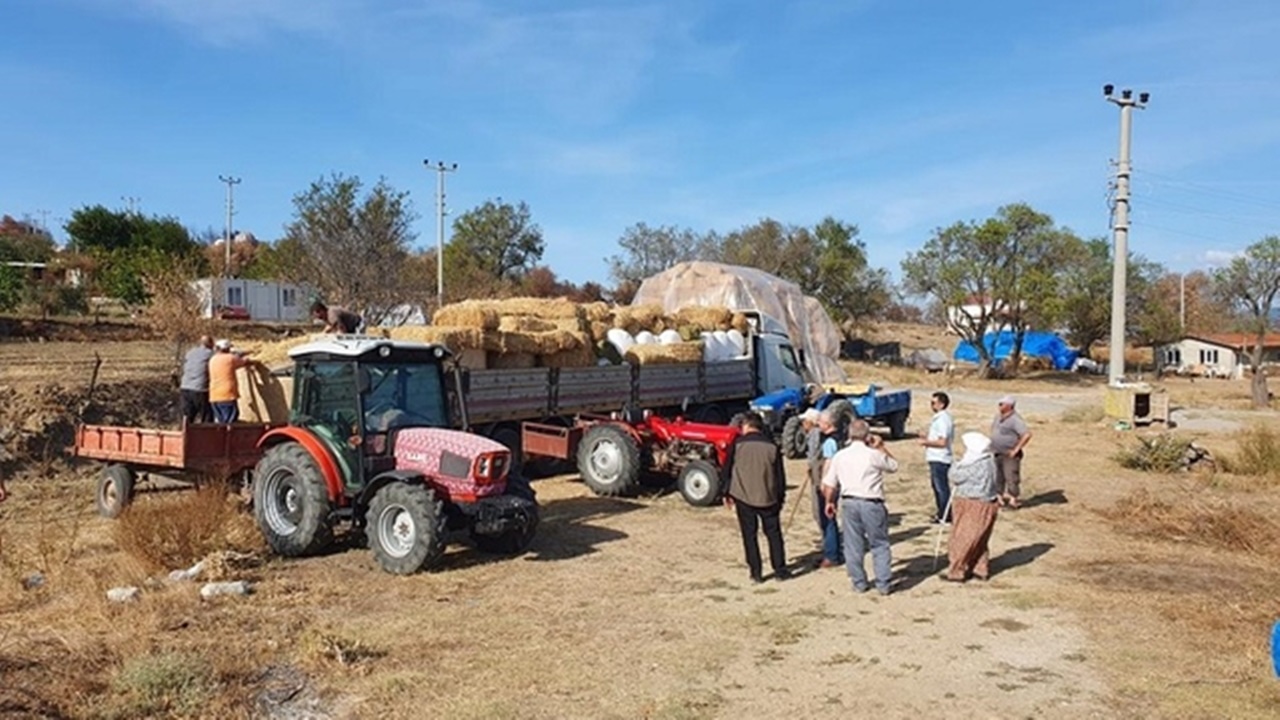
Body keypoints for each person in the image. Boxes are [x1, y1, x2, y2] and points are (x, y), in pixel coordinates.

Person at [822, 419, 899, 595]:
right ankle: (883, 583)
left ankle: (858, 582)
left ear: (849, 434)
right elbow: (893, 466)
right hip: (871, 501)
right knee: (879, 543)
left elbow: (829, 483)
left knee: (852, 544)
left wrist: (829, 501)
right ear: (867, 435)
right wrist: (880, 447)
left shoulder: (841, 456)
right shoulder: (873, 454)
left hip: (849, 501)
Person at [722, 412, 790, 584]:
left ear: (747, 425)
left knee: (749, 536)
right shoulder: (772, 446)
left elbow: (727, 470)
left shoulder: (737, 445)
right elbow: (780, 477)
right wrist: (780, 497)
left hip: (743, 496)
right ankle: (780, 570)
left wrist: (726, 493)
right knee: (774, 535)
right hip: (769, 497)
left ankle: (756, 573)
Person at [944, 432, 1000, 582]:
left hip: (972, 504)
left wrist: (955, 463)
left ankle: (957, 570)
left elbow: (954, 476)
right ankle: (980, 568)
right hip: (987, 503)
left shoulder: (975, 464)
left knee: (963, 537)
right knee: (980, 539)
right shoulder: (990, 460)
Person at [812, 408, 844, 568]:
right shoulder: (840, 437)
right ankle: (834, 551)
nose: (818, 424)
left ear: (828, 423)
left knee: (828, 519)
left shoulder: (830, 442)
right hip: (837, 483)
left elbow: (829, 463)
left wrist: (824, 484)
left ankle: (831, 555)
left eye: (820, 422)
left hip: (829, 484)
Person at [918, 391, 955, 523]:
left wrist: (925, 442)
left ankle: (946, 515)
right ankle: (941, 513)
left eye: (933, 402)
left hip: (940, 458)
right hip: (935, 457)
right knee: (937, 487)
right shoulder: (938, 418)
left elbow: (942, 442)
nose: (931, 405)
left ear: (941, 404)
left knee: (941, 487)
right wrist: (926, 437)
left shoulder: (943, 419)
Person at [990, 395, 1032, 509]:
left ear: (1009, 406)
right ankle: (999, 498)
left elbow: (1026, 434)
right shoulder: (998, 417)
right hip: (997, 452)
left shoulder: (1015, 420)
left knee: (1011, 476)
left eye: (1001, 404)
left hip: (1009, 454)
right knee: (998, 476)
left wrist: (1016, 449)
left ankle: (1013, 500)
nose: (999, 406)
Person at [208, 339, 256, 424]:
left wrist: (248, 351)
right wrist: (256, 360)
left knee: (221, 423)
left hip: (214, 396)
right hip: (226, 395)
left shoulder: (213, 359)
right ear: (227, 349)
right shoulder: (230, 358)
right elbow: (245, 362)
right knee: (230, 422)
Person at [179, 335, 215, 425]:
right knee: (207, 415)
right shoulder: (210, 353)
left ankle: (186, 435)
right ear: (211, 344)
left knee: (187, 416)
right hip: (200, 389)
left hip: (185, 387)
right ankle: (206, 436)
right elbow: (223, 356)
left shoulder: (190, 352)